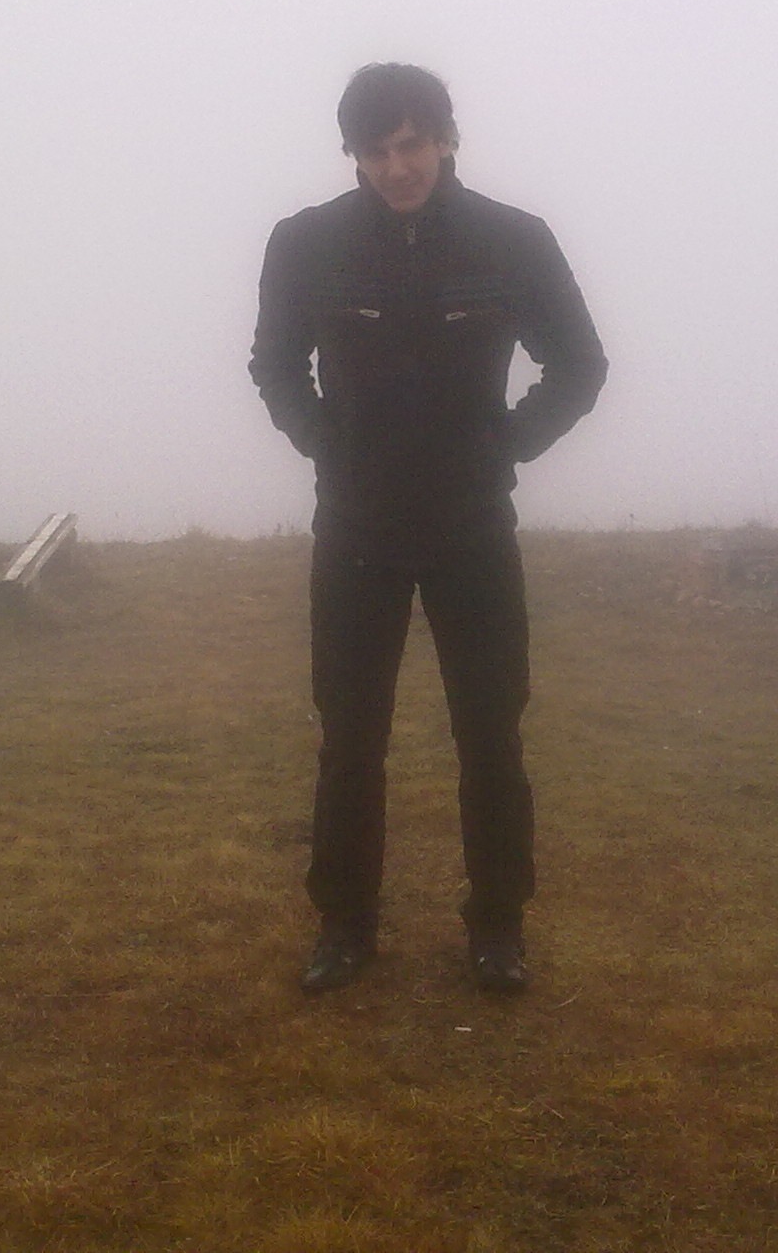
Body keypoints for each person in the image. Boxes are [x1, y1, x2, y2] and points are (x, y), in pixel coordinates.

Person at [249, 63, 607, 994]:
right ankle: (344, 926)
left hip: (471, 526)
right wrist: (325, 444)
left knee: (491, 736)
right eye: (375, 150)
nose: (396, 167)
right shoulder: (307, 243)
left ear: (447, 139)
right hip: (356, 526)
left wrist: (507, 448)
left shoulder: (512, 240)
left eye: (412, 144)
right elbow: (274, 364)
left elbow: (580, 363)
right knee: (350, 739)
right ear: (353, 155)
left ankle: (498, 927)